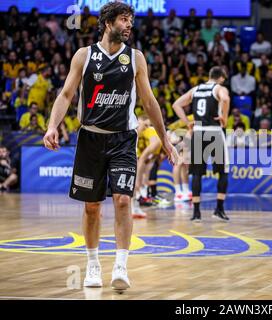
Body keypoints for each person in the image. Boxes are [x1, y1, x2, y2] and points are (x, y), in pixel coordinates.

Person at [42, 2, 177, 291]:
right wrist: (53, 125)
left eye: (130, 20)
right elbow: (66, 94)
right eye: (124, 20)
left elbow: (150, 101)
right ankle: (92, 264)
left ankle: (121, 265)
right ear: (108, 23)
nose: (129, 25)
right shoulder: (84, 55)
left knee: (123, 200)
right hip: (90, 138)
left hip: (123, 139)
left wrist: (165, 139)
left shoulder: (136, 57)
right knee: (92, 207)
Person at [172, 66, 230, 222]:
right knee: (223, 172)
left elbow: (176, 104)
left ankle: (196, 212)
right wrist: (224, 117)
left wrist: (187, 123)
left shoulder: (196, 89)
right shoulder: (218, 88)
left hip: (198, 132)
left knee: (197, 173)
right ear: (221, 78)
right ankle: (219, 209)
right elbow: (225, 99)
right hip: (214, 132)